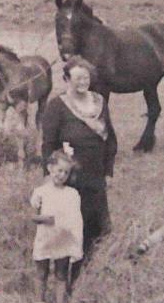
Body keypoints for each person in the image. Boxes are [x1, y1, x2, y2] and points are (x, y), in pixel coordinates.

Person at [41, 56, 117, 281]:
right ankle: (64, 276)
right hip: (70, 176)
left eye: (86, 77)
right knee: (70, 225)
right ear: (66, 79)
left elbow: (110, 139)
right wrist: (50, 175)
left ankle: (87, 272)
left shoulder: (99, 102)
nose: (83, 82)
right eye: (77, 78)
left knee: (97, 227)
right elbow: (48, 144)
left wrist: (109, 171)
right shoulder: (57, 106)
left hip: (96, 173)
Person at [30, 149, 84, 303]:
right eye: (59, 170)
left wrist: (73, 236)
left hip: (62, 238)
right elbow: (35, 217)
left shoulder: (72, 194)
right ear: (50, 168)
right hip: (45, 237)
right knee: (41, 273)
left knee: (61, 273)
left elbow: (76, 220)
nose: (62, 175)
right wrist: (45, 218)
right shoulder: (41, 191)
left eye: (66, 172)